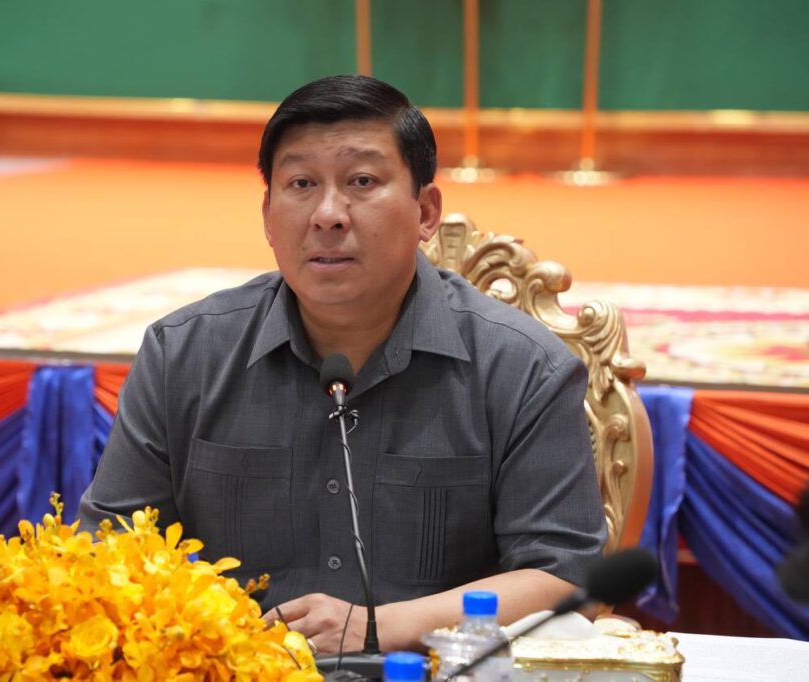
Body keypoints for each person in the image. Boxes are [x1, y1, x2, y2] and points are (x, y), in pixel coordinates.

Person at [78, 74, 606, 654]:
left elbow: (566, 578)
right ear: (268, 215)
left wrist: (381, 628)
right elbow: (110, 551)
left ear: (426, 211)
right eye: (302, 183)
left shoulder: (523, 368)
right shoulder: (184, 355)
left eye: (362, 181)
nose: (328, 214)